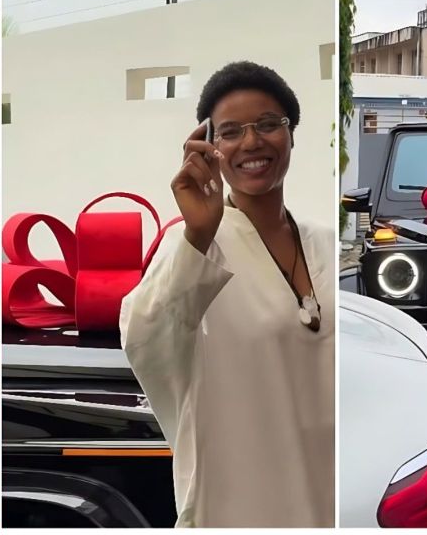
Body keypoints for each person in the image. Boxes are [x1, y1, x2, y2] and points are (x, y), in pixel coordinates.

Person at [119, 61, 335, 527]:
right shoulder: (196, 246)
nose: (252, 143)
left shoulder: (324, 243)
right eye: (231, 131)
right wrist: (198, 233)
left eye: (268, 124)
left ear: (291, 134)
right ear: (209, 149)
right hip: (243, 503)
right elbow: (146, 337)